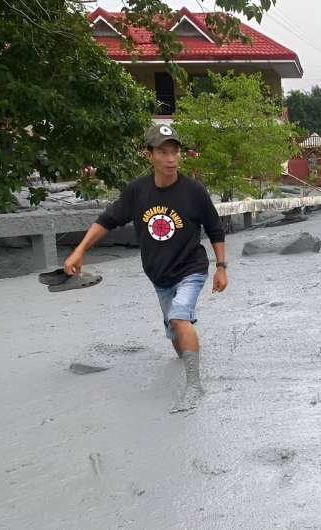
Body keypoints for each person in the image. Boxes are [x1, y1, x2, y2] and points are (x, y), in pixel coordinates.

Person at [63, 124, 227, 413]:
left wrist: (221, 267)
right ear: (148, 154)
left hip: (192, 267)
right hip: (159, 275)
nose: (170, 159)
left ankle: (194, 386)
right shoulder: (137, 192)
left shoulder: (194, 191)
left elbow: (215, 229)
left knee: (178, 317)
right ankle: (185, 347)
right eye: (162, 152)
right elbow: (107, 221)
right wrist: (80, 250)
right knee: (175, 333)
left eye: (174, 151)